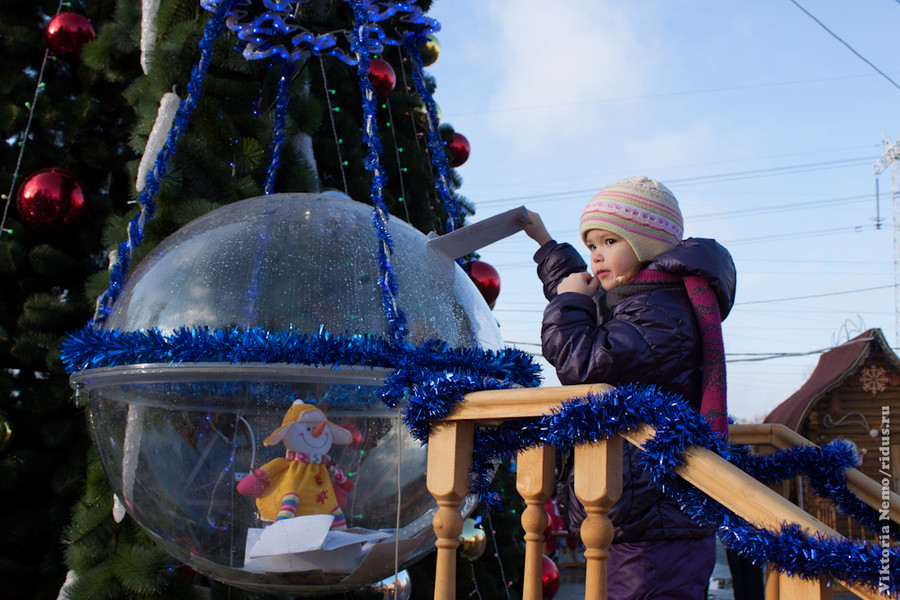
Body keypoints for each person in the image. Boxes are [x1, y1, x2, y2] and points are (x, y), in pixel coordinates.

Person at [516, 176, 736, 600]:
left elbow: (583, 363)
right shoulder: (643, 298)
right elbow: (581, 285)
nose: (596, 257)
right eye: (591, 244)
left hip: (656, 523)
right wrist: (544, 241)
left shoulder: (661, 314)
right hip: (643, 514)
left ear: (647, 244)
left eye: (609, 242)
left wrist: (567, 302)